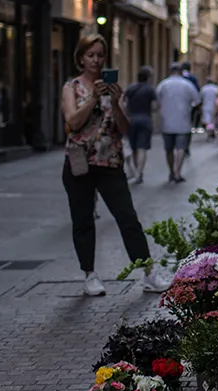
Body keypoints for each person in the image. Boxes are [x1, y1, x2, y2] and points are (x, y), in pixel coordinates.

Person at [61, 34, 159, 298]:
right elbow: (72, 122)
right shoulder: (72, 87)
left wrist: (115, 103)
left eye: (100, 55)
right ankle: (90, 275)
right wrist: (93, 99)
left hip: (110, 162)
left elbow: (124, 128)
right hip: (79, 163)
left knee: (127, 217)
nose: (95, 60)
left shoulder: (115, 89)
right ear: (81, 57)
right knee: (83, 221)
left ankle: (148, 272)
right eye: (90, 55)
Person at [156, 62, 200, 182]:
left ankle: (171, 171)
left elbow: (157, 101)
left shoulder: (163, 84)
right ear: (181, 72)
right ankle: (177, 172)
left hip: (167, 122)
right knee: (181, 148)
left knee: (169, 149)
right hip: (183, 122)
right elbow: (197, 100)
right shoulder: (188, 85)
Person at [123, 66, 158, 184]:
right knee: (142, 147)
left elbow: (124, 105)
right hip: (145, 119)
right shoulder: (150, 89)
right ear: (148, 77)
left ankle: (136, 172)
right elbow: (154, 106)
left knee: (134, 148)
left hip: (131, 120)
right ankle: (139, 173)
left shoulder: (130, 88)